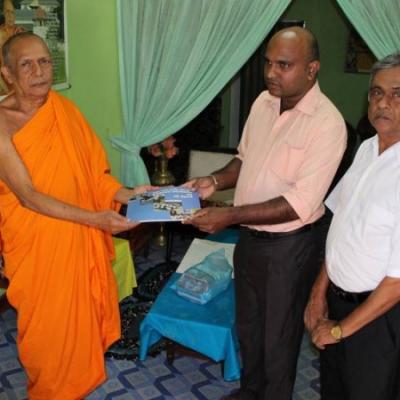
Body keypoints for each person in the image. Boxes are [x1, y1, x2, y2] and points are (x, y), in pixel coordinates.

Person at [184, 27, 347, 400]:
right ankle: (251, 392)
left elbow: (297, 203)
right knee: (249, 327)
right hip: (251, 241)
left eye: (284, 65)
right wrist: (213, 180)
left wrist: (228, 215)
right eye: (268, 63)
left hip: (289, 250)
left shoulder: (327, 124)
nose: (271, 73)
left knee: (278, 340)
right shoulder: (262, 102)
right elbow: (244, 159)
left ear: (312, 69)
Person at [0, 32, 153, 399]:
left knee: (79, 340)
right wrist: (96, 220)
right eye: (27, 64)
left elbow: (95, 177)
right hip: (39, 254)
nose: (39, 71)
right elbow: (29, 197)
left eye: (45, 61)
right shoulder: (2, 124)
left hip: (76, 244)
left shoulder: (65, 112)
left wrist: (127, 193)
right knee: (48, 344)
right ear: (7, 73)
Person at [305, 53, 400, 400]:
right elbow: (340, 229)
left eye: (397, 94)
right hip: (339, 306)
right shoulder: (367, 149)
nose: (383, 103)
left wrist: (342, 330)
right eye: (376, 93)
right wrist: (318, 293)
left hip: (380, 319)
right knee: (333, 391)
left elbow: (397, 282)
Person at [0, 0, 24, 94]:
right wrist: (5, 90)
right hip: (4, 88)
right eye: (7, 12)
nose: (10, 16)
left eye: (12, 12)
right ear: (3, 13)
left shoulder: (20, 33)